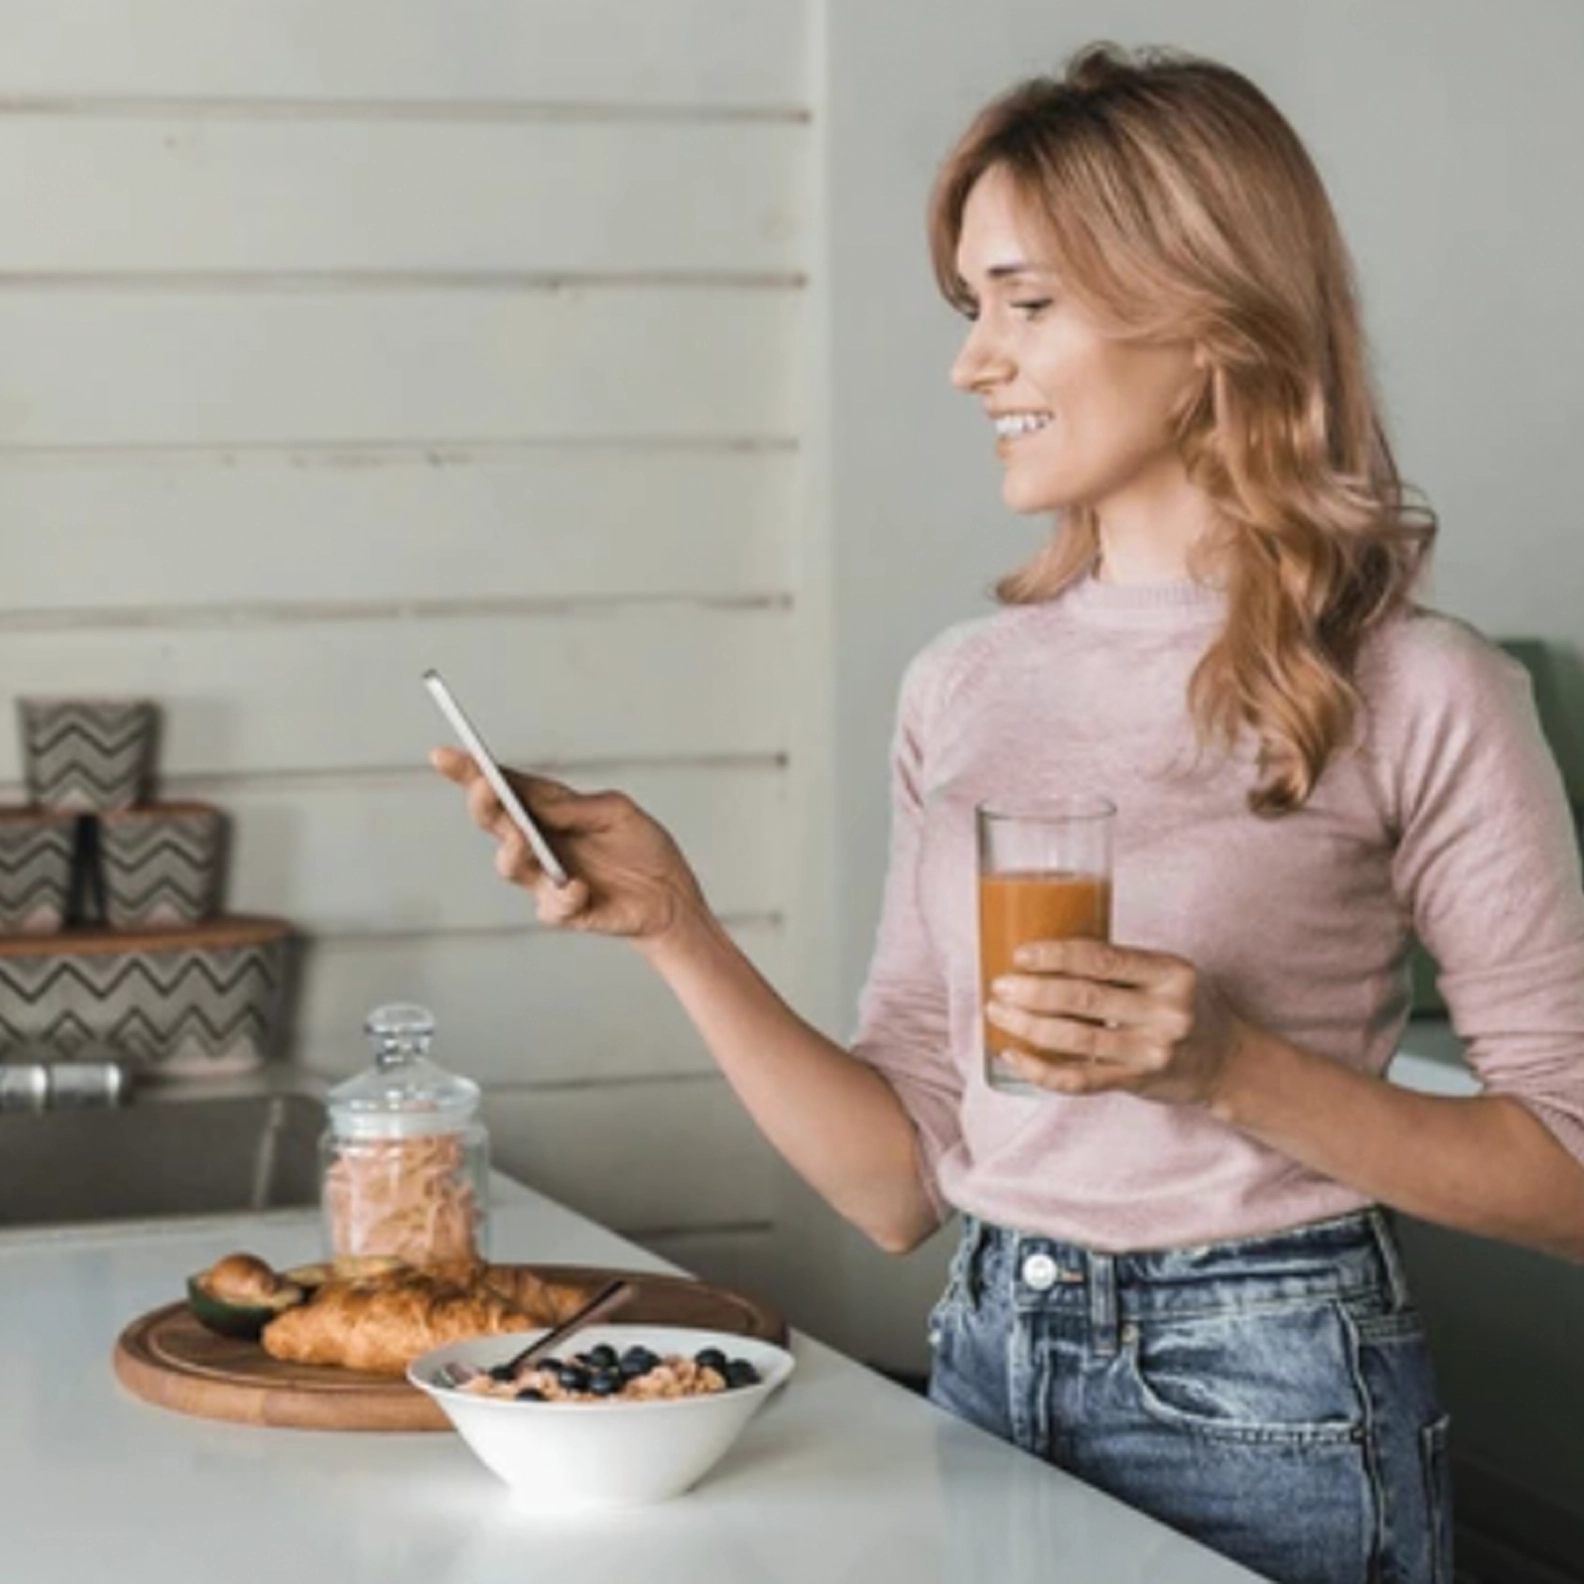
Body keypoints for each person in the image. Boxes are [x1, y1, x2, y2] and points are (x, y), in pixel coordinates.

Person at [433, 43, 1584, 1584]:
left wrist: (1234, 1070)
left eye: (1026, 305)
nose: (976, 362)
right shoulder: (963, 686)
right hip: (982, 1363)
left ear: (1205, 320)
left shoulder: (1422, 688)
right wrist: (677, 932)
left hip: (1270, 1397)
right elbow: (900, 1186)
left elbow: (1568, 1176)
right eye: (971, 307)